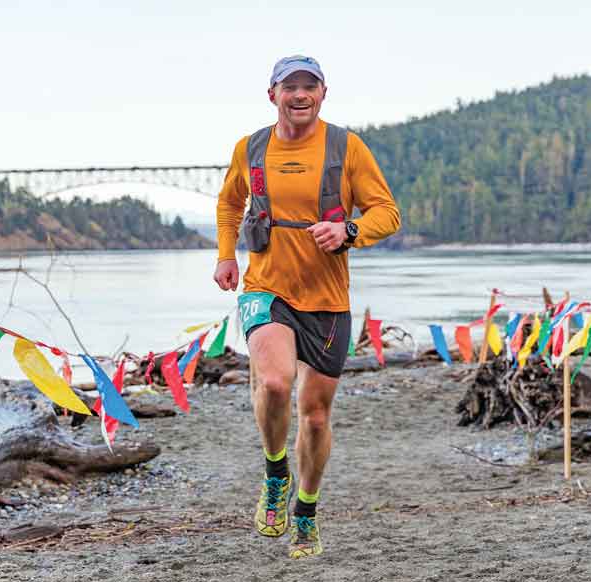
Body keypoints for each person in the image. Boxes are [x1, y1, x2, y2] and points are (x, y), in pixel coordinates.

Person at [213, 55, 400, 559]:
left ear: (323, 93)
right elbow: (231, 204)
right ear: (271, 94)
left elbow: (387, 212)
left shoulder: (346, 147)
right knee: (274, 383)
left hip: (327, 297)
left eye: (309, 86)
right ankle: (276, 474)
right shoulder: (250, 148)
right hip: (265, 286)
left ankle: (306, 510)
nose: (300, 94)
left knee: (314, 417)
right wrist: (226, 255)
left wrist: (350, 230)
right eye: (289, 86)